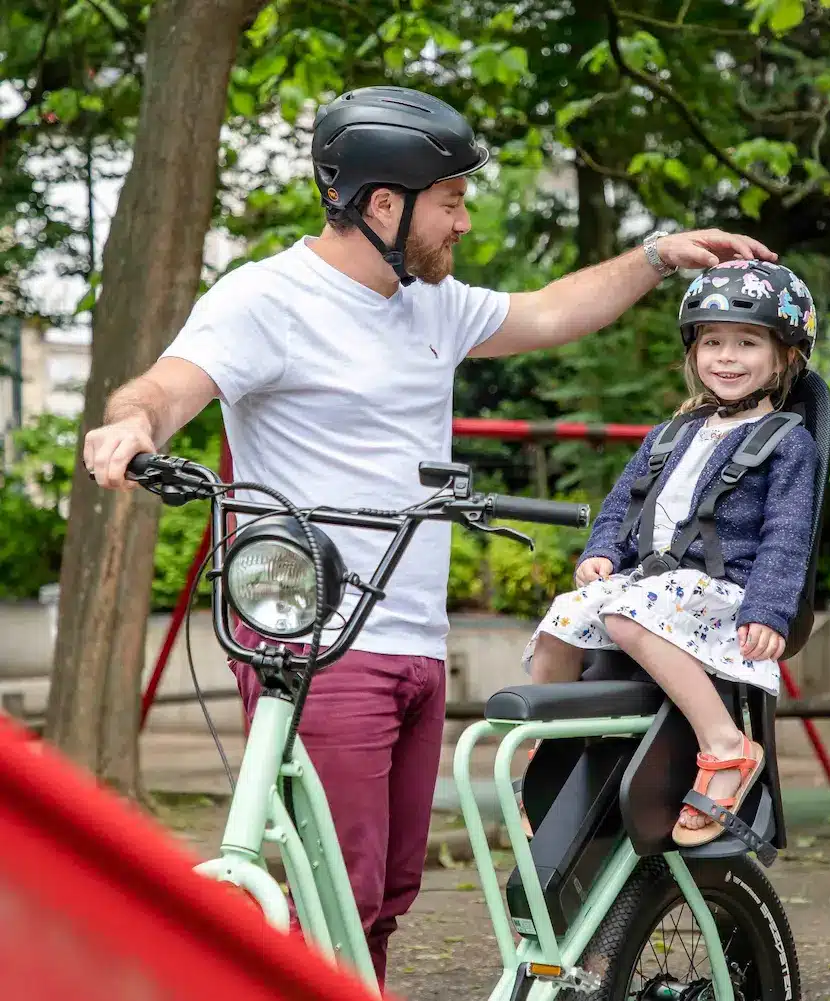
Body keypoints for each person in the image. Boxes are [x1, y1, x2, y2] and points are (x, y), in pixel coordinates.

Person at [84, 85, 776, 985]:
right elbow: (169, 385)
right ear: (384, 204)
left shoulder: (431, 305)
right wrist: (131, 427)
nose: (463, 221)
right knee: (334, 889)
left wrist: (657, 256)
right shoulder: (266, 298)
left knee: (383, 895)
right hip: (319, 643)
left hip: (414, 638)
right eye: (450, 201)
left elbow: (552, 312)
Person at [524, 258, 819, 848]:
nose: (726, 357)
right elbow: (622, 505)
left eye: (747, 343)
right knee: (563, 617)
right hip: (653, 587)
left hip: (722, 592)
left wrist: (768, 611)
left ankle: (726, 745)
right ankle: (554, 744)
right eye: (712, 342)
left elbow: (788, 535)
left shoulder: (788, 443)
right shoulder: (671, 434)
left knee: (625, 614)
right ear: (693, 351)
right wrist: (603, 553)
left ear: (785, 357)